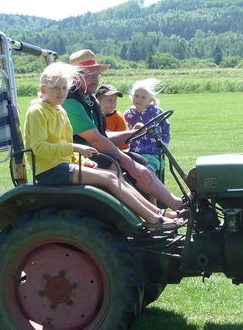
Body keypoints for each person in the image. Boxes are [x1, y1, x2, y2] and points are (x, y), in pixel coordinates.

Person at [24, 62, 180, 231]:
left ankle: (157, 212)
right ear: (43, 89)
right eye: (55, 88)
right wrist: (76, 148)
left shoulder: (60, 111)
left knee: (114, 173)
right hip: (48, 170)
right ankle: (152, 219)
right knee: (110, 178)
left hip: (63, 165)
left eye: (64, 88)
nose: (61, 92)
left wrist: (84, 161)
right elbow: (39, 148)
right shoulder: (38, 111)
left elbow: (64, 147)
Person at [62, 50, 184, 211]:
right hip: (77, 158)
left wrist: (132, 133)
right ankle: (154, 213)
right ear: (74, 77)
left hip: (92, 153)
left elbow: (103, 136)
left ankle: (175, 204)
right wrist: (130, 164)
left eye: (96, 75)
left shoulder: (89, 99)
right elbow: (96, 140)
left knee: (139, 161)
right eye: (89, 75)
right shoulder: (71, 102)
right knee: (121, 163)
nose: (94, 80)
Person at [124, 78, 169, 181]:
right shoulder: (129, 114)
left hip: (153, 150)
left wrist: (164, 144)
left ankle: (152, 188)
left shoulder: (156, 112)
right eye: (136, 96)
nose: (138, 99)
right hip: (135, 151)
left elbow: (166, 126)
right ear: (132, 96)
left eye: (143, 97)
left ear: (150, 100)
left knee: (151, 167)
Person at [96, 84, 128, 150]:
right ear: (98, 100)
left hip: (114, 150)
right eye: (109, 100)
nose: (113, 103)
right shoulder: (94, 115)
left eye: (115, 100)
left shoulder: (117, 117)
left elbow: (123, 142)